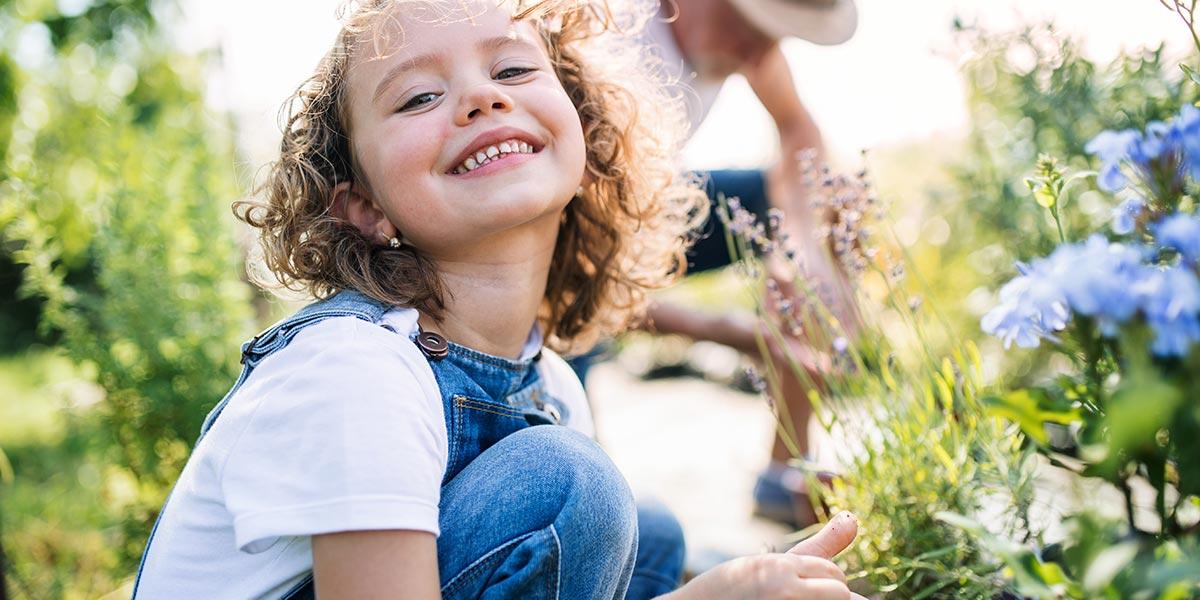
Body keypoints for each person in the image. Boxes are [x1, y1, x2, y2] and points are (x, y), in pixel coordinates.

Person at [130, 0, 863, 597]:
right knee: (566, 488)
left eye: (512, 69)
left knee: (646, 534)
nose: (483, 95)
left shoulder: (549, 385)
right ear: (363, 206)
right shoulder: (357, 371)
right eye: (420, 96)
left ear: (588, 131)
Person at [638, 0, 861, 530]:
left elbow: (798, 130)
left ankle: (784, 470)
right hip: (578, 243)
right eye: (753, 25)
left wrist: (798, 248)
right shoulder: (614, 44)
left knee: (843, 199)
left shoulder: (748, 44)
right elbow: (560, 277)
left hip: (653, 206)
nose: (764, 49)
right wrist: (735, 332)